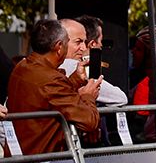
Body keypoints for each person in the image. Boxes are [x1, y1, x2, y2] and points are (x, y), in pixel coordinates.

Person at [5, 18, 101, 154]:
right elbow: (90, 121)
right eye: (69, 41)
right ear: (59, 47)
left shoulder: (22, 66)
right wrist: (88, 96)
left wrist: (75, 80)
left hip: (18, 158)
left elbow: (47, 97)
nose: (84, 48)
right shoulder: (51, 79)